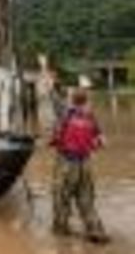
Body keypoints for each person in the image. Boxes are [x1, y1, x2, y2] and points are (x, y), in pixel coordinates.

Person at [50, 88, 109, 244]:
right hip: (85, 163)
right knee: (87, 200)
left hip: (66, 164)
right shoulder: (91, 117)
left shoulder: (64, 113)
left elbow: (53, 95)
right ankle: (95, 229)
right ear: (86, 101)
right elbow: (103, 141)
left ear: (71, 100)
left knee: (61, 198)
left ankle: (61, 232)